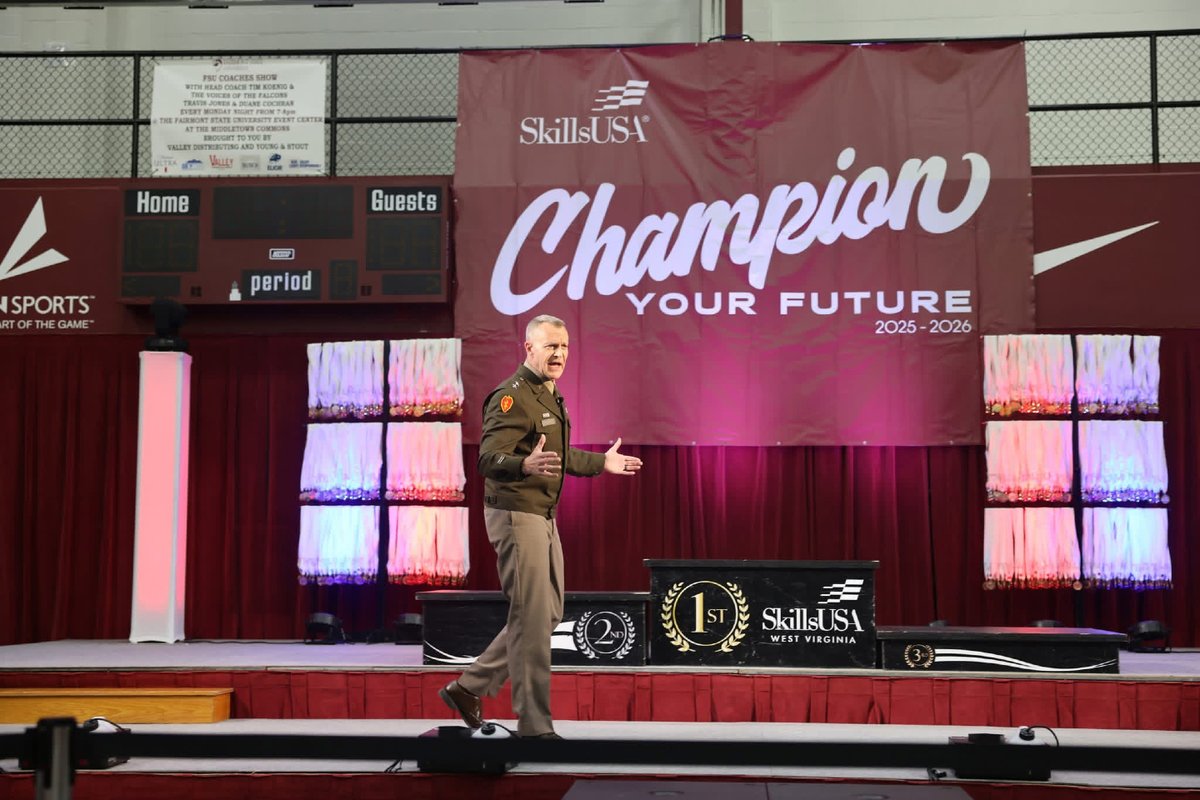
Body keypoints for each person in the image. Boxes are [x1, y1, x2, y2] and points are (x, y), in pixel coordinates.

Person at [439, 314, 643, 739]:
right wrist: (522, 465)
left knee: (547, 613)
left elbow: (560, 456)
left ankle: (469, 687)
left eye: (564, 347)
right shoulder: (511, 397)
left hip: (542, 514)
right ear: (529, 347)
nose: (559, 354)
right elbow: (487, 459)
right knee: (531, 618)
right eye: (551, 346)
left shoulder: (549, 394)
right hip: (516, 514)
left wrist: (601, 462)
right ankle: (534, 726)